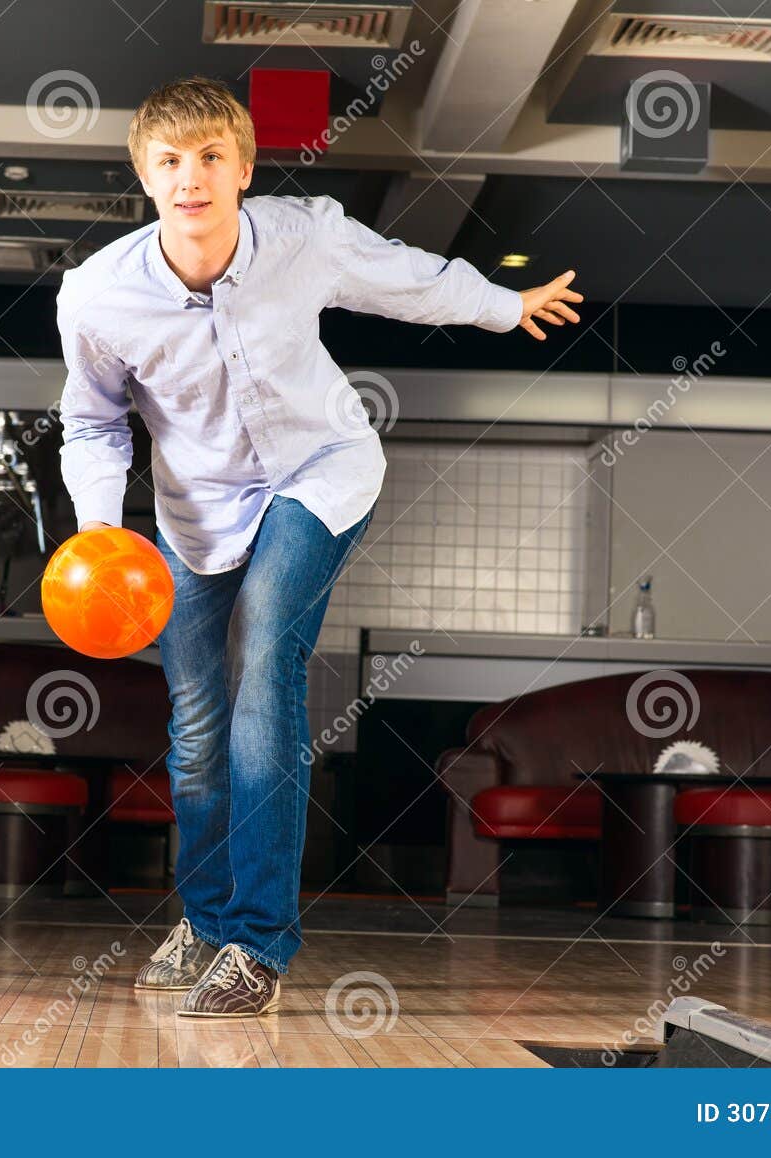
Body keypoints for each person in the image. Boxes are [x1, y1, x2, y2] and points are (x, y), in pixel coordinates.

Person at [55, 77, 583, 1017]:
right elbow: (93, 427)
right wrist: (101, 529)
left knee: (265, 664)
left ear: (245, 169)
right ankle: (207, 919)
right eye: (170, 162)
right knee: (195, 720)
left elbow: (408, 277)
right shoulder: (97, 296)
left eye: (211, 157)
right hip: (192, 513)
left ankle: (258, 940)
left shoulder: (305, 236)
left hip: (319, 473)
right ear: (145, 175)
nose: (192, 179)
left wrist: (506, 305)